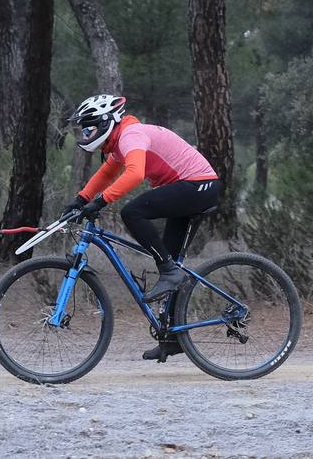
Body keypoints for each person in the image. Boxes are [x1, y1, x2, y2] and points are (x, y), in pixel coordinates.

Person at [62, 93, 221, 360]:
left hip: (198, 185)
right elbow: (107, 174)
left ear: (105, 122)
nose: (86, 133)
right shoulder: (119, 142)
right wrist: (80, 200)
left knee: (132, 212)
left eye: (89, 127)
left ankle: (169, 272)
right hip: (188, 187)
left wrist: (100, 202)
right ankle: (173, 338)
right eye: (84, 129)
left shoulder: (131, 135)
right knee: (171, 264)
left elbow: (134, 174)